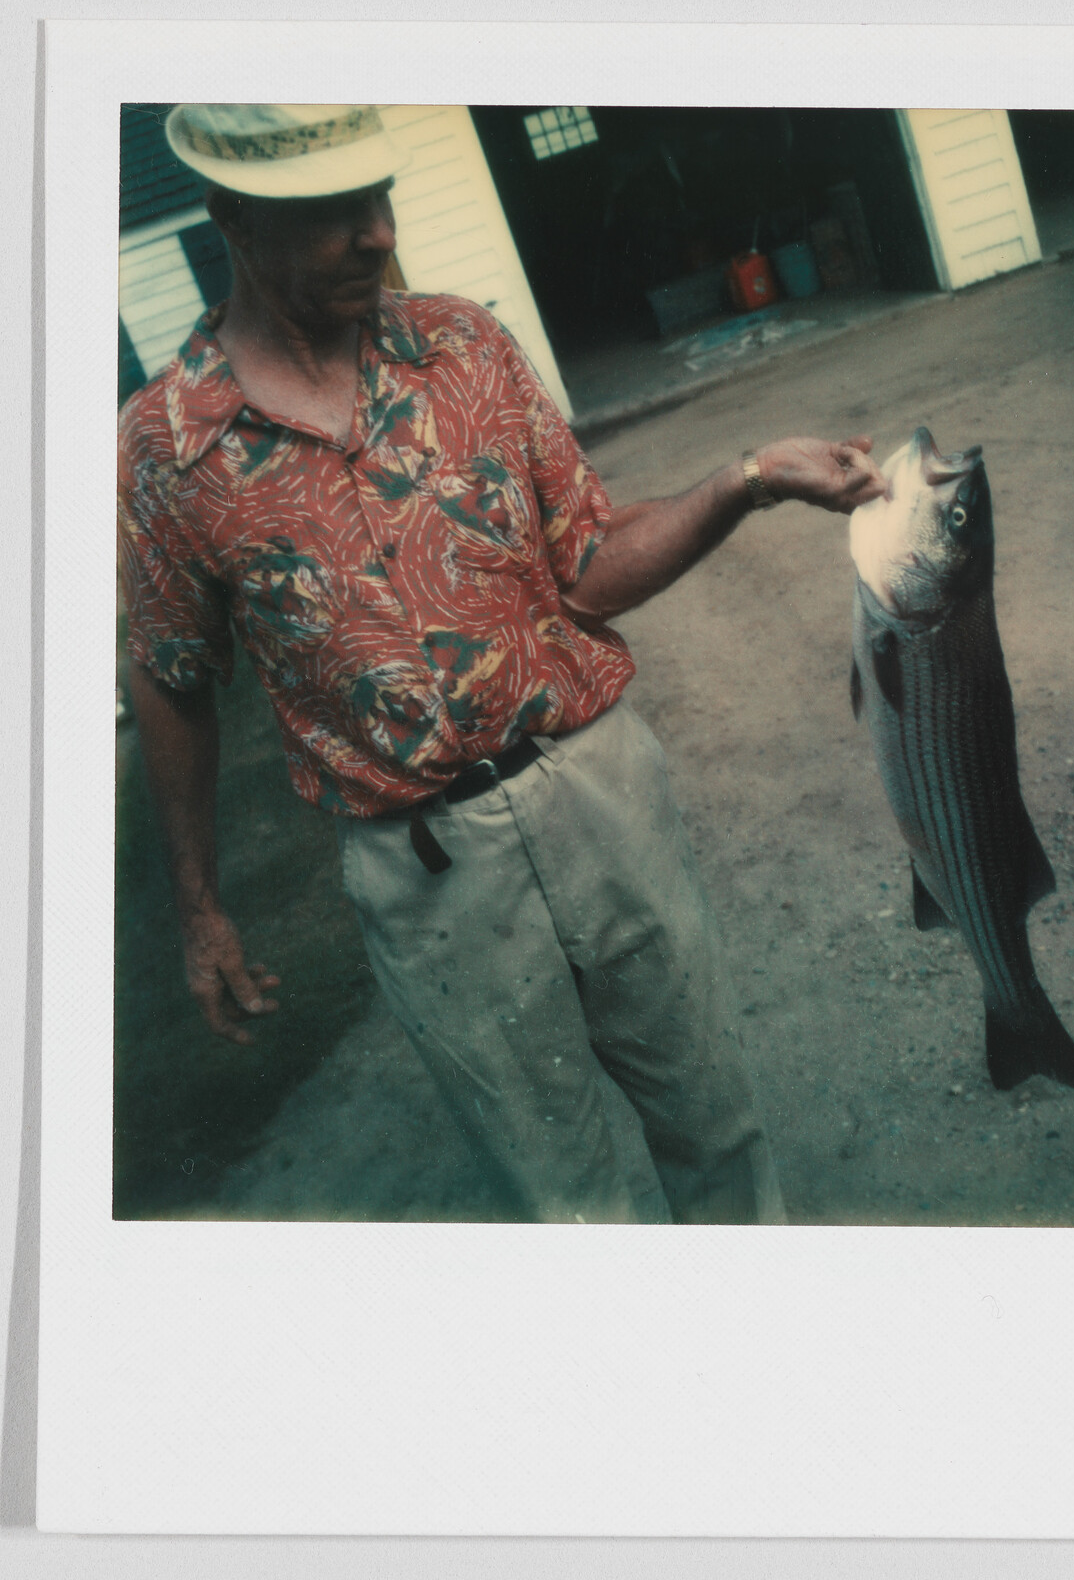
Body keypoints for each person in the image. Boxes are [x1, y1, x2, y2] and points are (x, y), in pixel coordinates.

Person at [119, 104, 887, 1224]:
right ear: (235, 219)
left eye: (377, 196)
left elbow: (587, 566)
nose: (377, 232)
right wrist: (198, 909)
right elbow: (172, 675)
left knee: (716, 1130)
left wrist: (749, 475)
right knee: (562, 1207)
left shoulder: (465, 348)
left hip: (600, 796)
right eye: (332, 212)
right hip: (424, 873)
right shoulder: (164, 449)